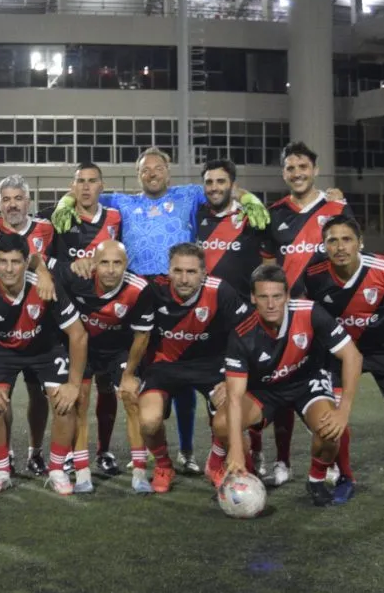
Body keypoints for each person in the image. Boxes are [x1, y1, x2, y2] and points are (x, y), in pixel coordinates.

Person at [53, 148, 270, 474]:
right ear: (138, 174)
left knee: (190, 370)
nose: (152, 173)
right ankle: (146, 453)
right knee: (143, 374)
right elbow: (87, 193)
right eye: (145, 169)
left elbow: (223, 188)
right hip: (139, 298)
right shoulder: (123, 203)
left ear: (168, 172)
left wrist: (250, 198)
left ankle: (187, 451)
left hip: (181, 289)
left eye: (157, 168)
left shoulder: (188, 194)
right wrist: (63, 203)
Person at [304, 215, 384, 505]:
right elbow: (303, 313)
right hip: (336, 353)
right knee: (334, 417)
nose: (340, 246)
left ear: (360, 243)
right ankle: (347, 477)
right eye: (332, 240)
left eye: (347, 239)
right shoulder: (313, 274)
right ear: (323, 246)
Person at [215, 264, 363, 507]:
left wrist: (343, 410)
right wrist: (236, 450)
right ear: (253, 297)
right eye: (263, 297)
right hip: (266, 390)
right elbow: (234, 397)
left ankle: (315, 480)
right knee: (222, 424)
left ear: (287, 296)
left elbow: (352, 356)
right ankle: (246, 476)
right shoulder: (242, 333)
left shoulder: (310, 312)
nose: (271, 304)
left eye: (277, 296)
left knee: (331, 433)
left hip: (307, 383)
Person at [260, 142, 355, 487]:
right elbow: (269, 267)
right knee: (284, 389)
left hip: (327, 319)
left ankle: (333, 466)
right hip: (286, 320)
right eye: (290, 168)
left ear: (315, 170)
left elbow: (350, 254)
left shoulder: (337, 208)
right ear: (283, 173)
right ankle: (282, 462)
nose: (297, 173)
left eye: (303, 167)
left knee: (331, 393)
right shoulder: (274, 213)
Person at [120, 243, 250, 493]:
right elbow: (140, 335)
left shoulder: (221, 291)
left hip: (212, 367)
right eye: (177, 271)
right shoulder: (154, 290)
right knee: (148, 421)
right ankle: (163, 465)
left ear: (204, 273)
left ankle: (214, 462)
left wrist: (232, 378)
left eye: (191, 272)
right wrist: (129, 374)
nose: (183, 278)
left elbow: (247, 334)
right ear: (168, 271)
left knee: (230, 424)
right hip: (164, 367)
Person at [0, 234, 88, 496]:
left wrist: (73, 385)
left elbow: (78, 335)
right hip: (3, 351)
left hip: (46, 348)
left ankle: (57, 468)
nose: (9, 268)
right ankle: (1, 470)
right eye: (2, 262)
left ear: (27, 263)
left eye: (15, 262)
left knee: (64, 403)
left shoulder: (47, 287)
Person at [53, 240, 153, 493]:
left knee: (131, 397)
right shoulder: (78, 276)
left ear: (126, 265)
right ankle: (83, 472)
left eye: (117, 263)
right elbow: (38, 260)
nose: (110, 270)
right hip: (82, 347)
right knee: (80, 401)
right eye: (104, 263)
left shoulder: (140, 288)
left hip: (118, 349)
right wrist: (44, 274)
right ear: (94, 264)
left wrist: (129, 374)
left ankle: (140, 473)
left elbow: (142, 336)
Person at [0, 174, 57, 475]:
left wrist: (45, 272)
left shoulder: (48, 229)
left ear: (29, 201)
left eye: (18, 198)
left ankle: (35, 452)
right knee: (0, 396)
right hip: (1, 325)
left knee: (39, 395)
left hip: (40, 325)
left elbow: (54, 263)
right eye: (6, 199)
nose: (13, 205)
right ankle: (6, 453)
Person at [49, 163, 126, 475]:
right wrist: (71, 265)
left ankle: (104, 451)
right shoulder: (59, 218)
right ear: (72, 186)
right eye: (80, 181)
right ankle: (70, 453)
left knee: (107, 389)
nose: (85, 187)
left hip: (109, 317)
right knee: (77, 391)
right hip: (73, 318)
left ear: (101, 186)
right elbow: (45, 256)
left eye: (92, 181)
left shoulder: (117, 217)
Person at [197, 159, 265, 299]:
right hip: (202, 309)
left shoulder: (250, 217)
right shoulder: (196, 215)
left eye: (221, 181)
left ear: (233, 186)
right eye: (209, 182)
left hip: (242, 307)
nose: (214, 187)